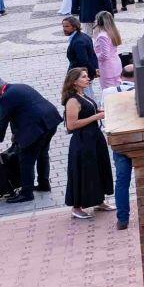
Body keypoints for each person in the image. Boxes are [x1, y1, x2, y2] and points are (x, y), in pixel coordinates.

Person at [0, 77, 60, 201]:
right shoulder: (20, 86)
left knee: (26, 159)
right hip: (50, 120)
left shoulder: (6, 97)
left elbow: (2, 121)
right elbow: (20, 112)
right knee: (42, 153)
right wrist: (16, 133)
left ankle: (27, 193)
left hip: (37, 127)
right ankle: (43, 183)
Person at [61, 67, 114, 219]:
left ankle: (99, 200)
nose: (87, 79)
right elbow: (71, 125)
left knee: (98, 168)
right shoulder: (72, 100)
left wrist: (105, 110)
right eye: (83, 77)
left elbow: (91, 110)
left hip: (94, 138)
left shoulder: (82, 95)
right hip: (83, 141)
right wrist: (96, 117)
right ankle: (76, 207)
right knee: (83, 172)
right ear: (74, 82)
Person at [63, 14, 99, 79]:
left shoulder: (78, 42)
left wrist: (93, 72)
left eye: (67, 26)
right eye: (63, 26)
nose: (64, 29)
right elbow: (93, 55)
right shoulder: (84, 36)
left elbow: (83, 61)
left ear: (75, 27)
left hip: (80, 76)